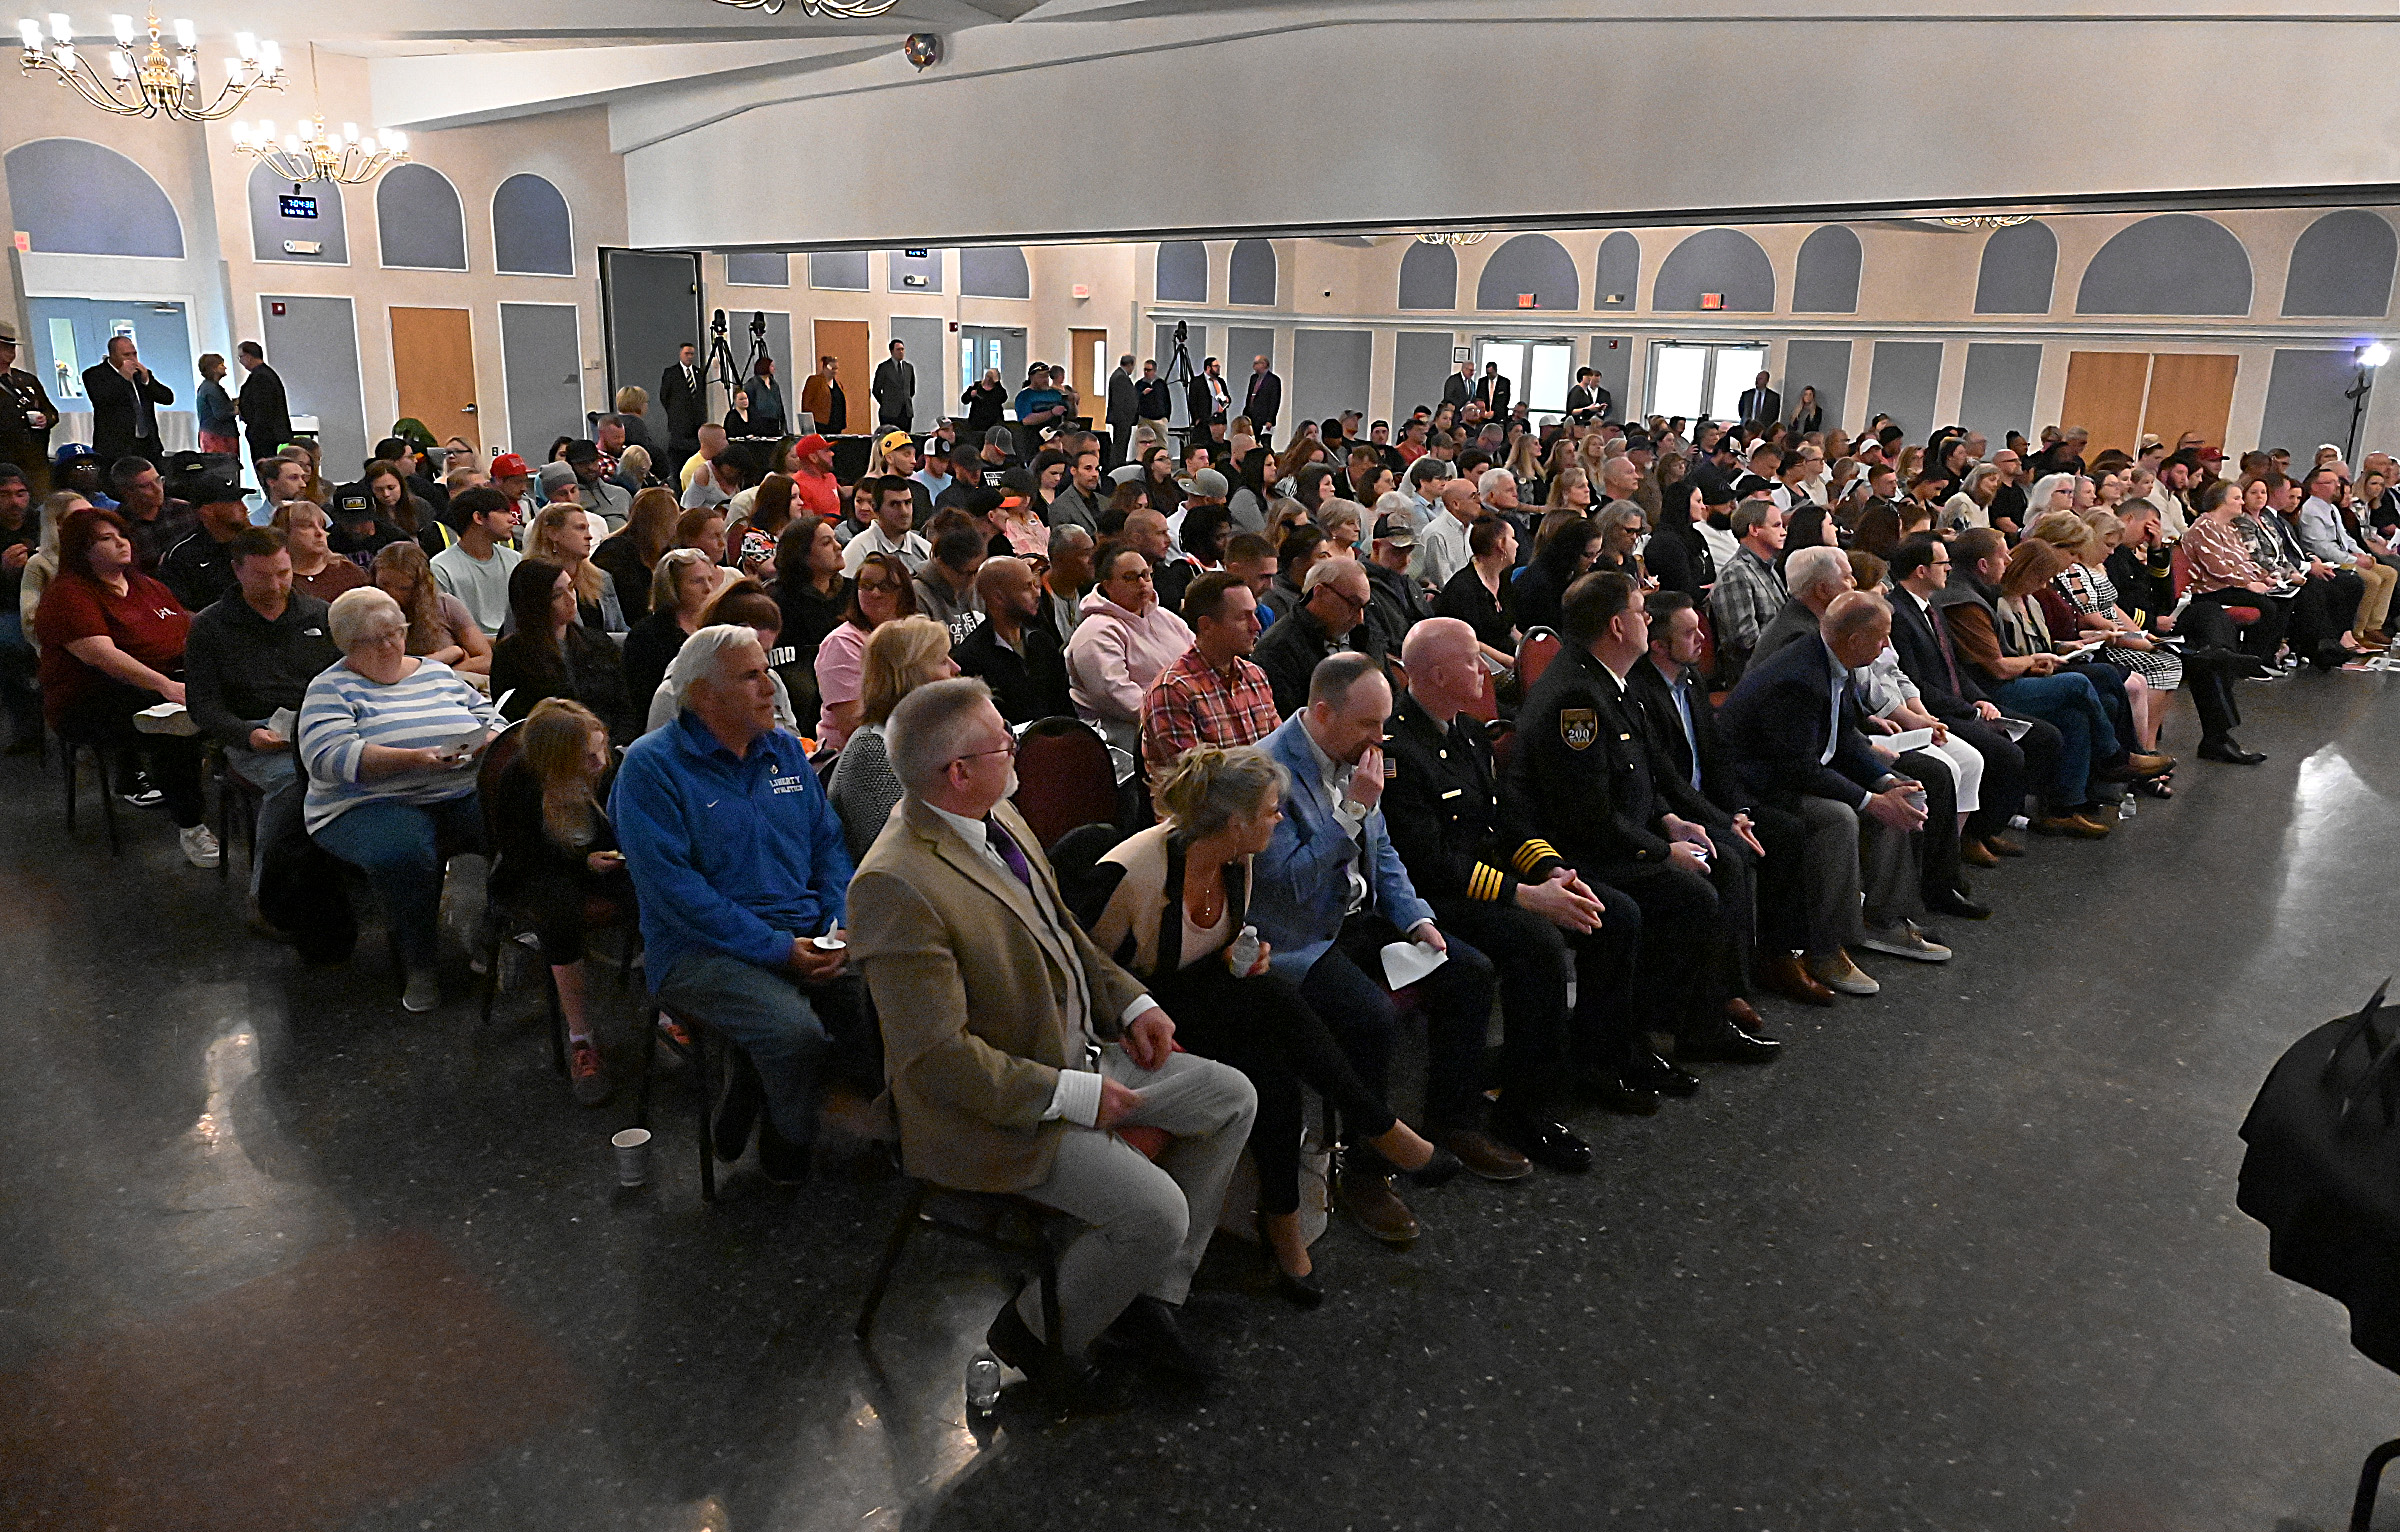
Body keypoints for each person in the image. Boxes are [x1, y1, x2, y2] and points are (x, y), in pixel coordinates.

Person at [846, 678, 1256, 1401]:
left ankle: (1145, 1298)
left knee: (1231, 1097)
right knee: (1158, 1212)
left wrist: (1131, 1002)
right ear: (957, 772)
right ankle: (1035, 1330)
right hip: (994, 1111)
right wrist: (1073, 1094)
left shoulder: (994, 813)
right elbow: (938, 1062)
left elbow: (1062, 930)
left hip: (1078, 1055)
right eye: (1003, 740)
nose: (1017, 746)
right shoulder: (895, 884)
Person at [1082, 744, 1448, 1306]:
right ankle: (1375, 1128)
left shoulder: (1235, 858)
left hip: (1199, 998)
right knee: (1273, 1006)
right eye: (1272, 812)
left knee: (1272, 1064)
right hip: (1134, 1022)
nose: (1281, 820)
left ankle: (1287, 1225)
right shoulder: (1132, 874)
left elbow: (1219, 952)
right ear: (1235, 823)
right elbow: (1086, 973)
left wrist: (1242, 957)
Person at [1245, 652, 1510, 1244]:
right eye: (1368, 724)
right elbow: (1285, 883)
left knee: (1469, 971)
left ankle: (1453, 1120)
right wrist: (1354, 810)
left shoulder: (1358, 756)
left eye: (1384, 722)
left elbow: (1383, 854)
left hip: (1357, 916)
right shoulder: (1267, 771)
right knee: (1368, 1018)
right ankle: (1368, 1172)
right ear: (1321, 712)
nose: (1379, 737)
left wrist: (1416, 918)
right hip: (1298, 937)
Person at [1382, 615, 1640, 1164]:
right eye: (1471, 659)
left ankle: (1592, 1061)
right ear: (1430, 671)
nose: (1486, 669)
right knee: (1537, 945)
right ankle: (1525, 1112)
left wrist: (1548, 871)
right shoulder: (1398, 750)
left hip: (1485, 881)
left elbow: (1503, 824)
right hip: (1434, 898)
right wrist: (1526, 897)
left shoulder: (1468, 733)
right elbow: (1429, 863)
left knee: (1610, 911)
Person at [614, 624, 864, 1183]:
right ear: (703, 695)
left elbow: (827, 844)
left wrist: (839, 923)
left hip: (802, 928)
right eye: (751, 676)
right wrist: (777, 950)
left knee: (890, 992)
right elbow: (674, 891)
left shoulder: (780, 750)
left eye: (767, 671)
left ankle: (762, 1080)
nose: (770, 686)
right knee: (791, 1032)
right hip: (697, 949)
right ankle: (787, 1146)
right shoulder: (652, 768)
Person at [1717, 591, 1946, 986]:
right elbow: (1796, 767)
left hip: (1794, 772)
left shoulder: (1836, 662)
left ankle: (1883, 918)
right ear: (1855, 639)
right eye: (1882, 637)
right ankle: (1826, 947)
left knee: (1900, 797)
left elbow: (1841, 741)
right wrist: (1870, 799)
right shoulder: (1798, 678)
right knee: (1838, 817)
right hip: (1756, 786)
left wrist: (1885, 781)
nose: (1887, 645)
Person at [298, 586, 496, 1010]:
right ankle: (419, 963)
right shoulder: (329, 688)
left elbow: (485, 715)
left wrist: (488, 739)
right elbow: (329, 758)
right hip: (365, 803)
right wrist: (416, 759)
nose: (390, 646)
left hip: (455, 788)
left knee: (511, 826)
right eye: (374, 639)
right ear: (347, 645)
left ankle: (487, 933)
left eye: (396, 633)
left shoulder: (436, 672)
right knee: (404, 853)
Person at [35, 506, 216, 866]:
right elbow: (104, 657)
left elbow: (188, 626)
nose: (121, 543)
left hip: (167, 683)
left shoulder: (145, 585)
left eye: (121, 535)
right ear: (81, 551)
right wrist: (165, 685)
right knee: (172, 728)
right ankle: (191, 826)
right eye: (106, 539)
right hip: (91, 700)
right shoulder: (68, 595)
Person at [488, 698, 634, 1104]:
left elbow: (621, 826)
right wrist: (582, 862)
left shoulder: (606, 769)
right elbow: (522, 854)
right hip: (541, 867)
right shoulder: (520, 780)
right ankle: (581, 1037)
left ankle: (670, 1009)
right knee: (558, 913)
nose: (601, 761)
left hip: (598, 860)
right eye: (588, 756)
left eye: (601, 748)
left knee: (653, 892)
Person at [185, 526, 340, 908]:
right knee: (292, 783)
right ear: (237, 572)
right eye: (262, 575)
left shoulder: (319, 613)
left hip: (318, 726)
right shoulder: (209, 626)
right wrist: (246, 735)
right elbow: (202, 706)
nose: (276, 585)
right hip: (253, 733)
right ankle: (268, 896)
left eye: (283, 573)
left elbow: (342, 681)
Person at [827, 615, 957, 861]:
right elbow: (899, 856)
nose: (956, 668)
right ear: (911, 676)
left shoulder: (927, 740)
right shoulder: (873, 751)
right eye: (942, 661)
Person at [1065, 540, 1195, 758]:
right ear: (1107, 585)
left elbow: (1198, 661)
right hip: (1125, 738)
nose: (1143, 583)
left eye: (1146, 575)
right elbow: (1116, 695)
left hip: (1183, 717)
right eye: (1130, 577)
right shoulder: (1095, 632)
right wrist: (1177, 714)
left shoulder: (1166, 617)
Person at [1139, 570, 1279, 772]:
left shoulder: (1255, 676)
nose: (1256, 626)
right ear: (1206, 625)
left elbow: (1279, 753)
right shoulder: (1173, 690)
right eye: (1242, 617)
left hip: (1261, 797)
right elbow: (1193, 786)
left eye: (1255, 614)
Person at [490, 558, 636, 744]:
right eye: (558, 595)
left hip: (608, 745)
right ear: (535, 603)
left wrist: (609, 745)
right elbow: (512, 722)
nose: (571, 598)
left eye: (571, 587)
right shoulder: (511, 655)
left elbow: (624, 709)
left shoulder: (598, 642)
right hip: (550, 753)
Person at [953, 555, 1072, 726]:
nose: (1037, 593)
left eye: (1035, 585)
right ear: (998, 598)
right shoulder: (970, 658)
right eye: (1027, 587)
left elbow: (1064, 706)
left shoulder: (1042, 642)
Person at [814, 550, 916, 750]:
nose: (875, 593)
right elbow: (853, 725)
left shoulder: (915, 633)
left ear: (903, 592)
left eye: (885, 586)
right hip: (856, 754)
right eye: (866, 586)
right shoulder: (841, 643)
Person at [1254, 556, 1374, 719]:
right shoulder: (1277, 649)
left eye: (1364, 607)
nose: (1360, 618)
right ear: (1320, 593)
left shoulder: (1362, 633)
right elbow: (1295, 722)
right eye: (1352, 604)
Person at [622, 547, 720, 718]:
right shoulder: (647, 636)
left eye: (710, 580)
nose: (708, 588)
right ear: (672, 587)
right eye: (697, 581)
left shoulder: (719, 629)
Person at [372, 540, 490, 680]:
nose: (391, 595)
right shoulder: (366, 610)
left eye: (404, 588)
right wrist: (449, 654)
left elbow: (486, 659)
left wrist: (443, 670)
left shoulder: (445, 605)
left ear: (421, 587)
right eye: (383, 585)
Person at [1709, 501, 1787, 685]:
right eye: (1777, 526)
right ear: (1754, 529)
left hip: (1778, 666)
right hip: (1756, 678)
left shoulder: (1770, 568)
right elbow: (1745, 644)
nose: (1784, 532)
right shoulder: (1735, 574)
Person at [429, 488, 523, 637]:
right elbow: (444, 629)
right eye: (502, 512)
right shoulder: (441, 567)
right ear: (478, 518)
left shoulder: (516, 560)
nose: (512, 519)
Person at [155, 478, 250, 618]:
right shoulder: (182, 555)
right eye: (232, 502)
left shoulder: (256, 542)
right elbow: (175, 608)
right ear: (207, 511)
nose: (244, 507)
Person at [1433, 515, 1518, 661]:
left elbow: (1511, 629)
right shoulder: (1463, 588)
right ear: (1501, 545)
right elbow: (1470, 642)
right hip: (1475, 661)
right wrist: (1511, 662)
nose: (1517, 544)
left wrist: (1529, 650)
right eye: (1512, 538)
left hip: (1505, 656)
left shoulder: (1503, 577)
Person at [271, 501, 367, 605]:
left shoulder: (350, 573)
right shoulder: (275, 579)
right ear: (284, 533)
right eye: (307, 526)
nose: (320, 532)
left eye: (322, 526)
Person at [0, 322, 57, 494]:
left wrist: (45, 419)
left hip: (35, 461)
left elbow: (52, 412)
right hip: (5, 462)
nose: (11, 351)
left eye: (13, 347)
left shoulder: (26, 380)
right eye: (5, 347)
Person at [842, 475, 931, 576]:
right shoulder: (857, 550)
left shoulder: (925, 549)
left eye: (907, 503)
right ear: (875, 508)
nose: (904, 512)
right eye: (894, 504)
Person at [235, 341, 291, 470]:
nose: (240, 361)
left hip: (264, 434)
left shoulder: (261, 377)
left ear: (248, 356)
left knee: (265, 468)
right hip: (265, 432)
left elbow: (263, 407)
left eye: (240, 357)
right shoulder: (264, 374)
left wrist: (255, 431)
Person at [658, 342, 709, 467]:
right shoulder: (671, 373)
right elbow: (664, 396)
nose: (689, 357)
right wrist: (675, 412)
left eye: (692, 354)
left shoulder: (699, 373)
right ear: (680, 354)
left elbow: (701, 396)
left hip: (697, 423)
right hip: (679, 424)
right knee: (679, 458)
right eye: (687, 353)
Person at [871, 338, 916, 433]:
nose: (901, 352)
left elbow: (911, 389)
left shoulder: (909, 368)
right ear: (891, 351)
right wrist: (886, 402)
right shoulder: (884, 367)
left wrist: (904, 399)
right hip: (889, 413)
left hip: (906, 412)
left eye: (902, 349)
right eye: (898, 349)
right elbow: (876, 390)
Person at [801, 356, 847, 436]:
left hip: (837, 425)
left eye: (836, 368)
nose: (834, 371)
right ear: (824, 368)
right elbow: (806, 403)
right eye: (831, 368)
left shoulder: (838, 384)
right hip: (821, 424)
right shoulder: (814, 381)